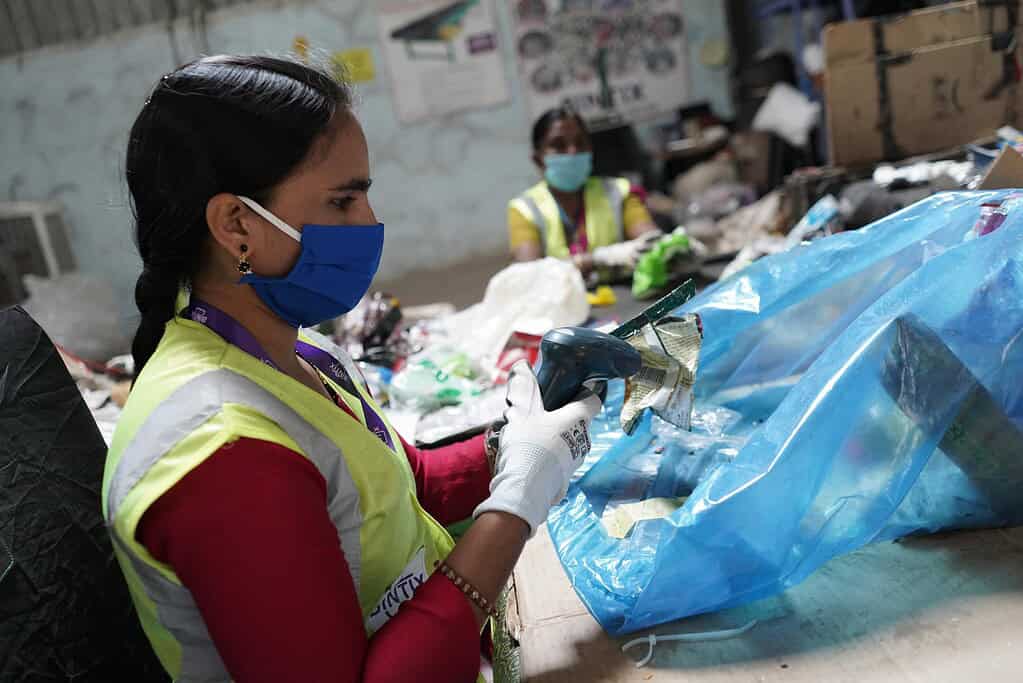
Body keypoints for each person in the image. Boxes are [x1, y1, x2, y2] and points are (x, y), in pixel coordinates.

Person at [102, 55, 601, 683]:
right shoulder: (222, 453)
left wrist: (519, 442)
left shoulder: (298, 353)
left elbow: (402, 486)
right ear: (236, 225)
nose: (369, 223)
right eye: (343, 201)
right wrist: (514, 510)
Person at [508, 107, 661, 276]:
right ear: (538, 159)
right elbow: (528, 272)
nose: (573, 151)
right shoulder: (525, 209)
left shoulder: (619, 192)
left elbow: (652, 243)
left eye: (580, 143)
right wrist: (597, 259)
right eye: (559, 145)